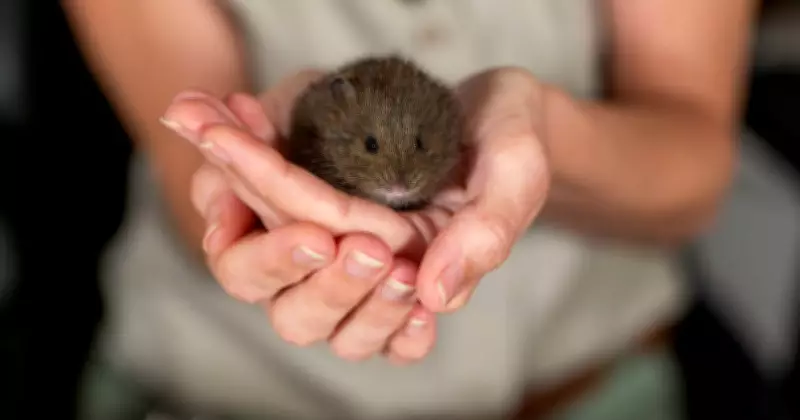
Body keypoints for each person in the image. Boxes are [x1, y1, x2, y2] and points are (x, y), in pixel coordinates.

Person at [64, 0, 757, 418]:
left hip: (594, 393)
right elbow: (203, 188)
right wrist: (244, 206)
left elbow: (696, 173)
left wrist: (545, 134)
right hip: (218, 396)